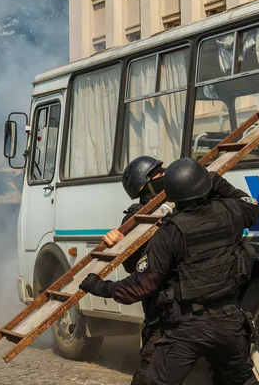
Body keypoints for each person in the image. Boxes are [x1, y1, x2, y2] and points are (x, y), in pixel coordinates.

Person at [80, 157, 259, 385]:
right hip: (225, 321)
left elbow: (141, 284)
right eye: (157, 175)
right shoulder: (229, 212)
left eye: (164, 175)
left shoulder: (172, 230)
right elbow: (252, 205)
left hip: (187, 325)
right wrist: (217, 182)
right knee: (243, 380)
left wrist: (100, 287)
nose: (162, 177)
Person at [102, 156, 168, 384]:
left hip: (194, 309)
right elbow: (132, 267)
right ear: (146, 185)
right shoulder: (136, 218)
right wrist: (122, 243)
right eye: (158, 174)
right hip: (160, 306)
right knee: (150, 370)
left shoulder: (186, 201)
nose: (164, 175)